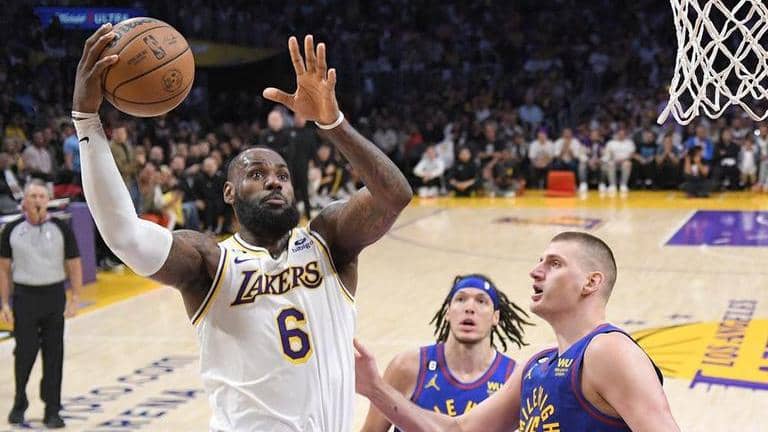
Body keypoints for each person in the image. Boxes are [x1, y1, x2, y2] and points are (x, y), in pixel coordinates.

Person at [72, 27, 411, 431]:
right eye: (257, 174)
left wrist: (332, 123)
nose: (274, 182)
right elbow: (124, 235)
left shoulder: (329, 241)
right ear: (229, 193)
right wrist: (87, 122)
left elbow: (394, 195)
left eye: (282, 175)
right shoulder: (211, 263)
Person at [355, 231, 680, 432]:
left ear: (590, 282)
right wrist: (375, 389)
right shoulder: (535, 367)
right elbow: (458, 431)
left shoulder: (607, 351)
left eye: (554, 264)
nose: (535, 271)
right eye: (540, 261)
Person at [360, 274, 531, 432]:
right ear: (448, 312)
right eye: (461, 299)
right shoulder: (408, 367)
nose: (470, 308)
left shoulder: (514, 377)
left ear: (496, 317)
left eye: (481, 301)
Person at [0, 180, 82, 428]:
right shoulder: (12, 229)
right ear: (24, 201)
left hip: (54, 295)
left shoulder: (61, 228)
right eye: (33, 196)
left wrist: (75, 297)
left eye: (41, 196)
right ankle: (19, 401)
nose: (37, 200)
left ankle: (52, 409)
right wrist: (4, 303)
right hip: (25, 297)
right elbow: (4, 269)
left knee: (54, 354)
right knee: (25, 352)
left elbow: (74, 263)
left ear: (48, 201)